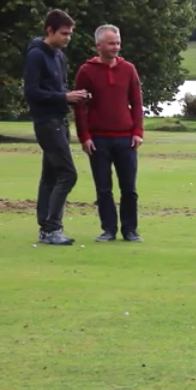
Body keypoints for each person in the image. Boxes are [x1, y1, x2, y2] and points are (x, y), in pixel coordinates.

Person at [23, 9, 90, 246]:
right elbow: (31, 92)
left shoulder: (59, 55)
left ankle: (46, 229)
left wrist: (73, 96)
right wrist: (64, 97)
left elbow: (57, 88)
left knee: (50, 176)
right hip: (46, 122)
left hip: (60, 120)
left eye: (70, 34)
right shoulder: (36, 55)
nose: (67, 38)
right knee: (67, 174)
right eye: (64, 34)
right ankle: (52, 228)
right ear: (49, 31)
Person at [73, 24, 145, 243]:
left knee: (129, 189)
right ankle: (108, 230)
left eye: (118, 43)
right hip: (98, 139)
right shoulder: (86, 71)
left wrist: (138, 131)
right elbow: (79, 107)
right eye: (111, 43)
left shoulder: (128, 69)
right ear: (99, 46)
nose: (116, 47)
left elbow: (137, 101)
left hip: (125, 138)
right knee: (104, 189)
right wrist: (84, 136)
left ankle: (130, 230)